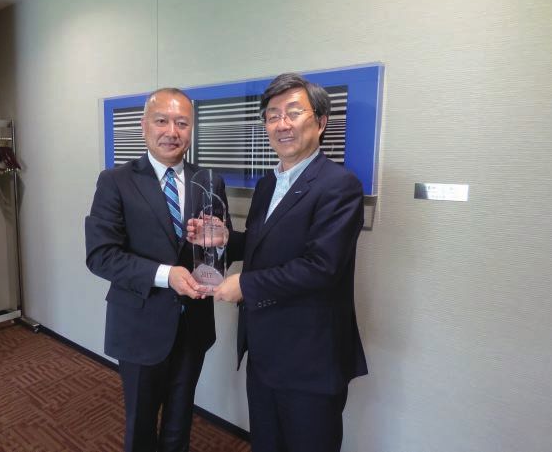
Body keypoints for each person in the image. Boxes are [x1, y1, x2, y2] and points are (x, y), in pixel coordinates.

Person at [209, 73, 368, 452]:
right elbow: (265, 246)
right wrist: (226, 239)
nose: (281, 124)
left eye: (293, 113)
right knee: (266, 442)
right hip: (264, 347)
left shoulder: (339, 185)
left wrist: (244, 284)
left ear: (320, 122)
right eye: (272, 116)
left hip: (310, 355)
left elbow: (321, 267)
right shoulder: (269, 184)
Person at [85, 88, 230, 452]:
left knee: (180, 424)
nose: (172, 132)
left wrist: (220, 243)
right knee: (141, 426)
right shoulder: (115, 181)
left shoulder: (209, 181)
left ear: (192, 128)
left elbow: (217, 249)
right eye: (162, 121)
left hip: (193, 325)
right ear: (144, 125)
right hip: (139, 325)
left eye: (182, 123)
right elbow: (101, 255)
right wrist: (167, 275)